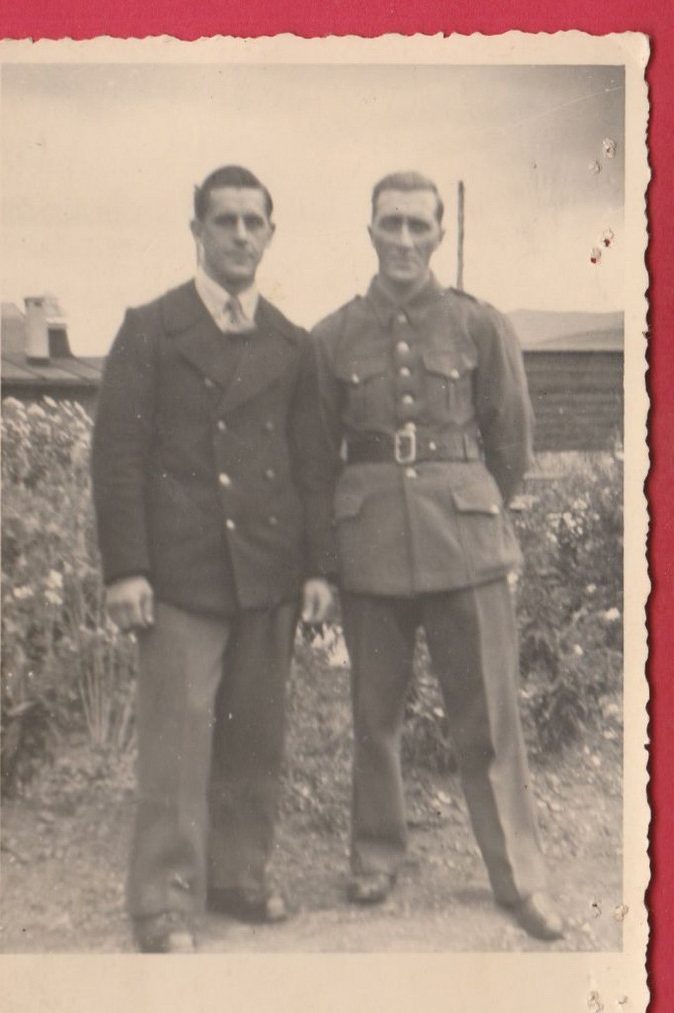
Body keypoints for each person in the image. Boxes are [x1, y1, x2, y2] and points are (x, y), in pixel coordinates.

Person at [312, 171, 564, 941]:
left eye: (418, 226)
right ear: (369, 230)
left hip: (465, 541)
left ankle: (517, 877)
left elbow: (510, 439)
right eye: (389, 223)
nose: (403, 239)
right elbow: (316, 455)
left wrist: (471, 501)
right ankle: (376, 856)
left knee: (486, 720)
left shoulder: (478, 325)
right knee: (372, 717)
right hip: (370, 546)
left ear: (438, 234)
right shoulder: (331, 337)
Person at [92, 165, 333, 952]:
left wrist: (317, 571)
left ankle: (238, 876)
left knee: (254, 734)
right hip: (181, 573)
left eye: (251, 222)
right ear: (195, 231)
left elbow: (311, 468)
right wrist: (125, 567)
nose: (237, 235)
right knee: (178, 739)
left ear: (269, 233)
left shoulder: (292, 344)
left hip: (266, 572)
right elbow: (118, 456)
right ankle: (162, 901)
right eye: (222, 221)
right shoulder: (150, 328)